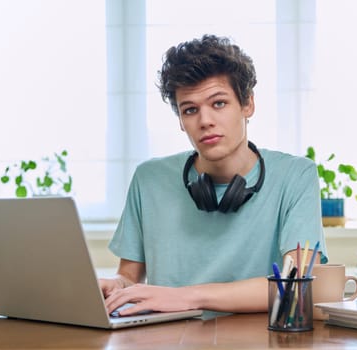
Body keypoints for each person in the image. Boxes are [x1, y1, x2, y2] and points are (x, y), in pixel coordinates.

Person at [99, 34, 327, 317]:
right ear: (181, 121)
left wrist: (187, 297)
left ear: (248, 105)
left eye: (218, 103)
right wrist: (116, 287)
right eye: (190, 109)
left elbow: (296, 284)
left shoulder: (296, 176)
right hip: (167, 340)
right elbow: (129, 278)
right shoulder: (149, 179)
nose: (205, 121)